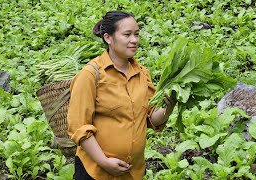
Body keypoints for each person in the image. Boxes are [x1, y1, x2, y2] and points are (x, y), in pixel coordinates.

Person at [67, 10, 176, 180]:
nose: (134, 40)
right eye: (127, 35)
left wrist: (168, 109)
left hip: (132, 172)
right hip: (95, 172)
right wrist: (104, 161)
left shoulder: (142, 74)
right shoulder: (91, 74)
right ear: (108, 38)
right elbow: (79, 127)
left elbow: (150, 118)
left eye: (137, 34)